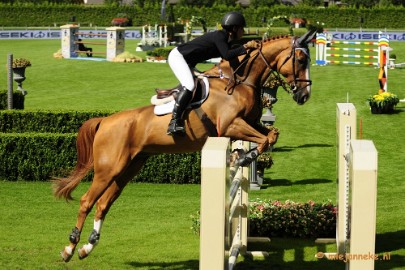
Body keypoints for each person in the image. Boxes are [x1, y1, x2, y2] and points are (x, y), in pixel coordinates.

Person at [166, 11, 259, 136]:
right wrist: (246, 46)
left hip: (188, 62)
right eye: (242, 28)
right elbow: (226, 55)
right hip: (178, 57)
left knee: (204, 82)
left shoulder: (226, 39)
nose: (244, 31)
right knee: (190, 85)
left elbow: (233, 58)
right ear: (235, 28)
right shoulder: (219, 36)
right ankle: (174, 122)